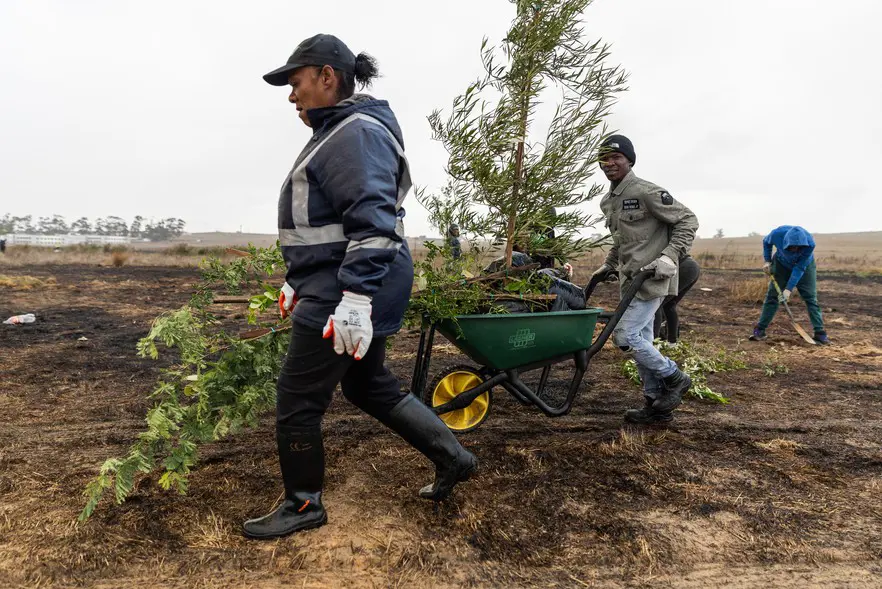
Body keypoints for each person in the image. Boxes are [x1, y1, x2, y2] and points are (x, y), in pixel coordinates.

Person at [244, 34, 477, 540]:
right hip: (342, 281)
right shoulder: (340, 131)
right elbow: (329, 222)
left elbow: (373, 224)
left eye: (296, 82)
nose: (291, 95)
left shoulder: (355, 134)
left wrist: (354, 299)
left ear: (327, 76)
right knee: (367, 384)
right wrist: (296, 278)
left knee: (297, 399)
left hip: (348, 288)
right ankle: (453, 457)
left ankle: (304, 504)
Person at [590, 135, 699, 425]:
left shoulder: (647, 192)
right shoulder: (608, 202)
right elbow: (621, 240)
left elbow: (688, 220)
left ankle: (676, 378)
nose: (609, 163)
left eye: (616, 157)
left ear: (629, 160)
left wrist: (669, 256)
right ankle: (655, 405)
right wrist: (608, 264)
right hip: (629, 281)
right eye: (604, 158)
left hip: (652, 277)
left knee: (625, 337)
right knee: (643, 340)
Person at [749, 225, 829, 344]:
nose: (795, 250)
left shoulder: (810, 244)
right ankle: (760, 330)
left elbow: (799, 268)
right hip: (781, 264)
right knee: (772, 296)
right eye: (792, 247)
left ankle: (820, 333)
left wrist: (788, 289)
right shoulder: (776, 234)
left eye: (798, 247)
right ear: (786, 242)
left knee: (810, 298)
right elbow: (766, 242)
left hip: (804, 267)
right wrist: (767, 261)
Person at [653, 255, 701, 343]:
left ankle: (653, 342)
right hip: (692, 267)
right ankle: (672, 342)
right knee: (669, 305)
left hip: (683, 267)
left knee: (656, 304)